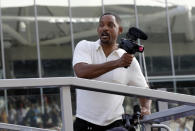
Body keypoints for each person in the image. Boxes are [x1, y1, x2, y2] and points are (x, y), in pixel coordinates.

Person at [72, 12, 151, 131]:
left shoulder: (128, 59)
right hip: (85, 123)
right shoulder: (84, 46)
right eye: (101, 25)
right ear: (98, 29)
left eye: (110, 25)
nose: (105, 28)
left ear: (119, 30)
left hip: (115, 125)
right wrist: (118, 63)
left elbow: (144, 90)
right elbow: (81, 72)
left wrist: (145, 107)